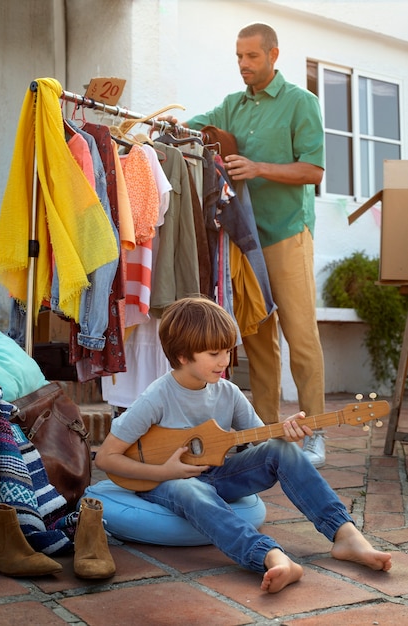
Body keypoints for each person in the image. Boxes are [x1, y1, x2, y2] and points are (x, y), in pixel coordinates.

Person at [95, 297, 391, 594]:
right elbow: (106, 458)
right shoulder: (156, 397)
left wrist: (285, 434)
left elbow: (263, 439)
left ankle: (346, 535)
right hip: (165, 481)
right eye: (214, 353)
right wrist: (166, 472)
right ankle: (271, 557)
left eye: (227, 351)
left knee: (283, 451)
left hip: (217, 474)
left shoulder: (228, 392)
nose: (225, 361)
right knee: (190, 488)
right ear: (183, 356)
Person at [163, 22, 326, 467]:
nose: (243, 65)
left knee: (300, 335)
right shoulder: (233, 105)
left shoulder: (301, 103)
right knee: (258, 337)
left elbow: (313, 170)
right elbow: (196, 127)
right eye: (238, 56)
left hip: (288, 233)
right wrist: (172, 124)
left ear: (274, 54)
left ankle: (314, 433)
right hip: (244, 239)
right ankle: (269, 432)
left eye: (251, 56)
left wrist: (258, 168)